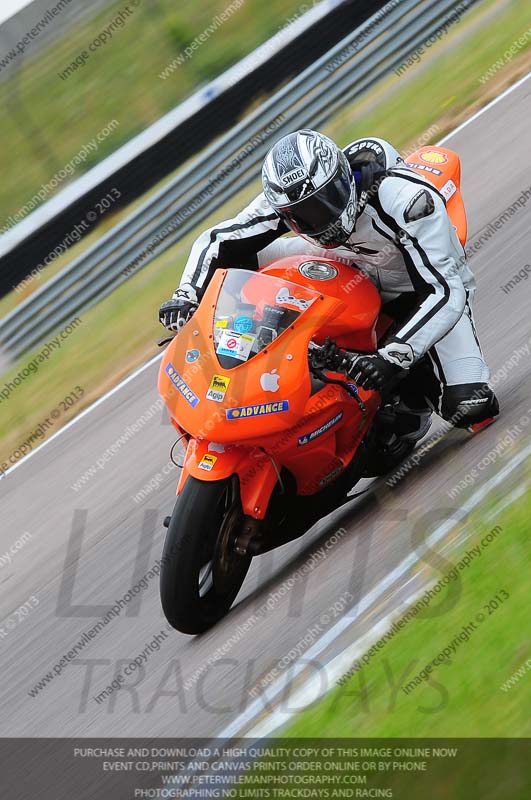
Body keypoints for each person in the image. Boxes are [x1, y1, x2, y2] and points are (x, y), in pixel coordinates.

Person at [159, 130, 499, 434]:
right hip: (340, 262)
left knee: (469, 407)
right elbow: (220, 239)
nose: (317, 220)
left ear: (343, 180)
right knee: (240, 255)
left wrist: (392, 357)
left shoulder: (406, 201)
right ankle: (246, 349)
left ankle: (411, 395)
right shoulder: (284, 199)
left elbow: (446, 290)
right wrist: (186, 295)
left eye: (325, 204)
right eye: (302, 215)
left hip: (413, 286)